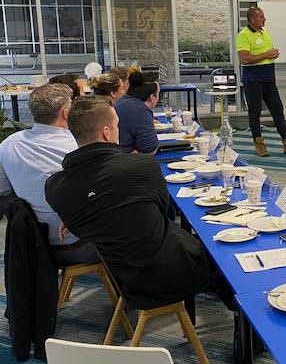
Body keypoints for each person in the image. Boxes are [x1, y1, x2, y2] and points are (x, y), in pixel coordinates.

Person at [44, 96, 237, 310]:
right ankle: (242, 321)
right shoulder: (141, 166)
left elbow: (98, 203)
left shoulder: (55, 188)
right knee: (224, 254)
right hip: (169, 273)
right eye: (117, 126)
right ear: (106, 132)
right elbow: (165, 212)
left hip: (121, 279)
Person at [0, 84, 98, 266]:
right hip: (79, 247)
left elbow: (5, 194)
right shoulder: (80, 146)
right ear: (66, 113)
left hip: (31, 247)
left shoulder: (8, 145)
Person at [236, 6, 286, 157]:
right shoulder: (244, 35)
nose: (264, 19)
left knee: (277, 109)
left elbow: (264, 54)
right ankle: (259, 144)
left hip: (268, 78)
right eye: (261, 17)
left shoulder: (264, 32)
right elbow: (244, 59)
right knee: (255, 112)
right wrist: (266, 54)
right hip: (253, 79)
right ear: (252, 19)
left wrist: (272, 54)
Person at [112, 72, 159, 154]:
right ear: (152, 97)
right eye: (158, 93)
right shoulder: (140, 110)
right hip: (123, 159)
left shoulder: (121, 102)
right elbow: (150, 149)